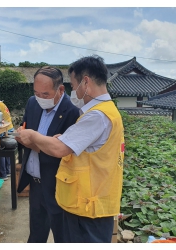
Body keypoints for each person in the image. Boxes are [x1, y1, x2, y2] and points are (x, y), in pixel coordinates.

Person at [16, 55, 125, 243]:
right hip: (91, 199)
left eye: (73, 86)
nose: (73, 91)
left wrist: (33, 136)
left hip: (88, 204)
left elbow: (59, 149)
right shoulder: (106, 111)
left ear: (86, 82)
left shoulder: (96, 116)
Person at [17, 66, 79, 243]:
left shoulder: (73, 111)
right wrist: (21, 135)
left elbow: (65, 152)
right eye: (36, 93)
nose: (40, 98)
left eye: (45, 94)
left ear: (60, 89)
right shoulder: (32, 103)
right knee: (36, 235)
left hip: (58, 184)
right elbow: (25, 128)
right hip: (35, 182)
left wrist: (34, 142)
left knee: (62, 236)